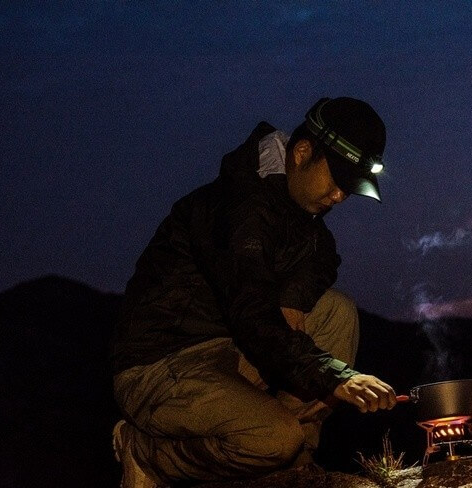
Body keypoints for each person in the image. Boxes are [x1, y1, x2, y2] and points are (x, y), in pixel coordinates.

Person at [110, 97, 397, 487]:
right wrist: (335, 376)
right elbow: (252, 315)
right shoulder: (238, 207)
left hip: (228, 349)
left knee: (336, 311)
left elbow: (321, 255)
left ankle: (292, 463)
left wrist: (294, 297)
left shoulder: (296, 209)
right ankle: (147, 454)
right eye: (338, 180)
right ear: (302, 152)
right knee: (271, 438)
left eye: (350, 189)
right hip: (161, 363)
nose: (340, 197)